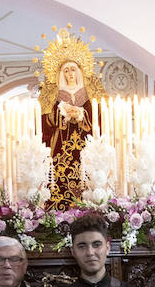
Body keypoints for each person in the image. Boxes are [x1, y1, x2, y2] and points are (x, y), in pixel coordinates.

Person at [38, 27, 107, 209]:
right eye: (66, 70)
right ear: (61, 73)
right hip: (61, 144)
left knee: (88, 173)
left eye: (73, 70)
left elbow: (98, 120)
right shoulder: (54, 94)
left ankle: (89, 204)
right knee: (60, 176)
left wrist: (82, 114)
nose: (70, 74)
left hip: (85, 142)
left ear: (79, 71)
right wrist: (62, 114)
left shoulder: (89, 93)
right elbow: (45, 123)